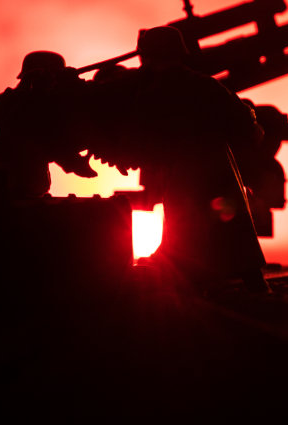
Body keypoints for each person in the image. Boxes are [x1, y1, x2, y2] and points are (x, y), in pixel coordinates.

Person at [103, 25, 266, 286]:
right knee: (233, 225)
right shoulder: (205, 85)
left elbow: (138, 131)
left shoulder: (151, 93)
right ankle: (252, 278)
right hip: (217, 167)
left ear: (149, 56)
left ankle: (189, 275)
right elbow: (245, 121)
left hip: (181, 171)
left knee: (184, 222)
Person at [0, 50, 97, 198]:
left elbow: (53, 143)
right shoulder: (14, 99)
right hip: (1, 177)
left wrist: (74, 163)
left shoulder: (49, 108)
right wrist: (23, 89)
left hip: (32, 182)